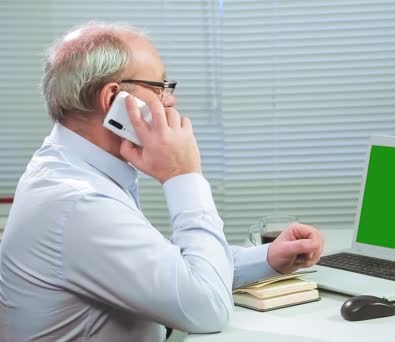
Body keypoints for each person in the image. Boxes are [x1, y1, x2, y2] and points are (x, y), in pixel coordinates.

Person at [0, 22, 324, 341]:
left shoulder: (70, 167)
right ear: (114, 98)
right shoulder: (78, 202)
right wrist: (183, 175)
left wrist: (267, 258)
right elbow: (207, 308)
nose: (169, 101)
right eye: (159, 87)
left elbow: (172, 273)